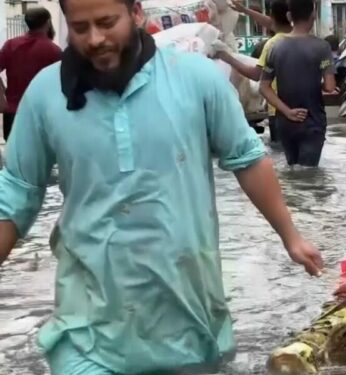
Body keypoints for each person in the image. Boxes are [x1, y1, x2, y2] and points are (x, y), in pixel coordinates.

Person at [0, 0, 324, 372]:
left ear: (136, 13)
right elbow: (16, 191)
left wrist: (291, 236)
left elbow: (247, 159)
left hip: (190, 323)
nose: (95, 38)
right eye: (80, 27)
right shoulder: (46, 93)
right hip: (86, 329)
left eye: (107, 23)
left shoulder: (196, 78)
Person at [260, 0, 337, 168]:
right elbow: (330, 86)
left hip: (285, 123)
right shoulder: (322, 47)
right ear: (314, 15)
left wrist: (287, 112)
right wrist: (321, 82)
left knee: (293, 170)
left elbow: (263, 87)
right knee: (308, 176)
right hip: (312, 121)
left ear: (289, 16)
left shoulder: (275, 47)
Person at [220, 0, 293, 143]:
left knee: (282, 157)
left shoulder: (272, 44)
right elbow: (272, 23)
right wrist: (245, 11)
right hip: (301, 109)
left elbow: (255, 75)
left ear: (272, 16)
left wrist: (228, 58)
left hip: (278, 109)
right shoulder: (301, 37)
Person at [0, 8, 62, 142]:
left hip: (13, 112)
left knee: (13, 158)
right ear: (47, 23)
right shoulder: (54, 51)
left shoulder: (11, 45)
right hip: (41, 116)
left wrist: (2, 95)